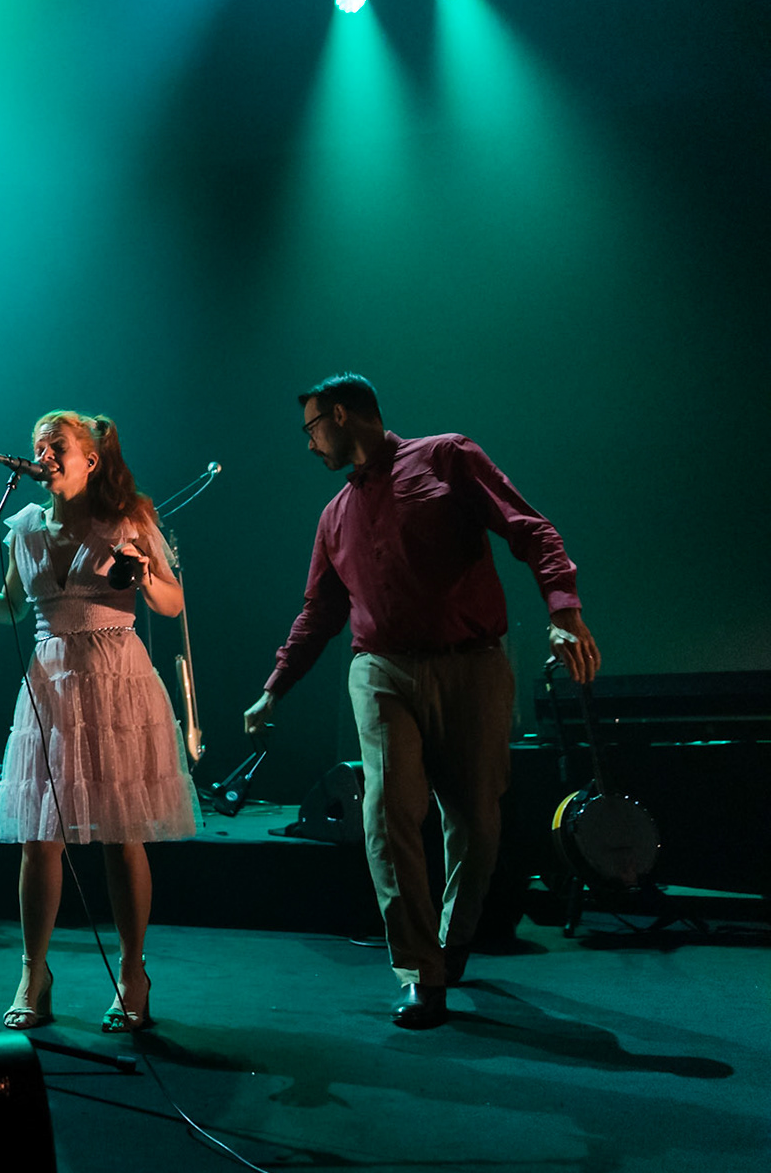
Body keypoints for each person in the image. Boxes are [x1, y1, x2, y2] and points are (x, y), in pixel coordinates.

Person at [243, 373, 601, 1030]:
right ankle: (418, 969)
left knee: (475, 819)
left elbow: (532, 530)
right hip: (380, 671)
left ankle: (453, 936)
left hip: (472, 666)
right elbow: (320, 613)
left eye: (312, 427)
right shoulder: (334, 516)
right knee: (387, 811)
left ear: (344, 416)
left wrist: (563, 609)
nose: (309, 444)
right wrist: (275, 688)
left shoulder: (446, 457)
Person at [0, 410, 200, 1033]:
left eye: (56, 446)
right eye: (38, 447)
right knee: (39, 836)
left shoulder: (128, 517)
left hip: (114, 675)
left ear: (91, 457)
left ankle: (133, 973)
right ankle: (34, 972)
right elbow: (8, 607)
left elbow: (172, 600)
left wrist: (141, 576)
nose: (44, 454)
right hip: (48, 680)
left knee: (119, 831)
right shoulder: (22, 526)